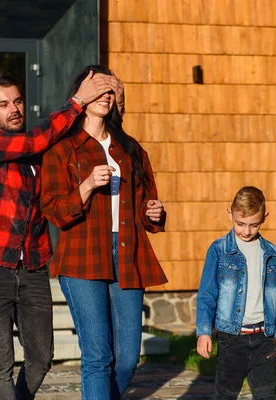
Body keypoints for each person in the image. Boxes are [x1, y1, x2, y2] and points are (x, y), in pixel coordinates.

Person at [0, 73, 123, 400]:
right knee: (0, 365)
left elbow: (68, 141)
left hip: (34, 265)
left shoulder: (43, 148)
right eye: (3, 104)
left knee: (40, 357)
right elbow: (34, 141)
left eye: (18, 101)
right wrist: (77, 100)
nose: (13, 109)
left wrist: (110, 103)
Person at [40, 65, 168, 400]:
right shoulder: (63, 149)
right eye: (97, 87)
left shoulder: (130, 149)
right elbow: (54, 210)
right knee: (98, 356)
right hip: (82, 256)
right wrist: (84, 187)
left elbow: (146, 204)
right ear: (81, 94)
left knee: (126, 358)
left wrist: (153, 212)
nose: (105, 95)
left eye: (110, 90)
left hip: (128, 253)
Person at [195, 186, 276, 400]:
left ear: (264, 218)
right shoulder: (219, 250)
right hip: (231, 338)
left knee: (267, 394)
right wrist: (203, 331)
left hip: (264, 337)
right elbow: (207, 294)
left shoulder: (272, 253)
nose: (246, 231)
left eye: (254, 225)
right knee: (225, 394)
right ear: (230, 214)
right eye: (240, 224)